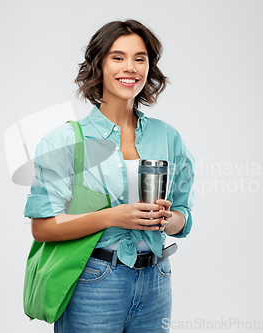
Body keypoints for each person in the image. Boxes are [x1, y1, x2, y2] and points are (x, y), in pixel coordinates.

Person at [24, 19, 195, 332]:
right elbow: (43, 227)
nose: (129, 67)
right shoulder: (65, 141)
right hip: (95, 282)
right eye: (118, 57)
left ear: (149, 68)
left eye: (139, 59)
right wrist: (114, 217)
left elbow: (183, 216)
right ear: (98, 65)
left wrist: (166, 219)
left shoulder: (168, 138)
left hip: (157, 281)